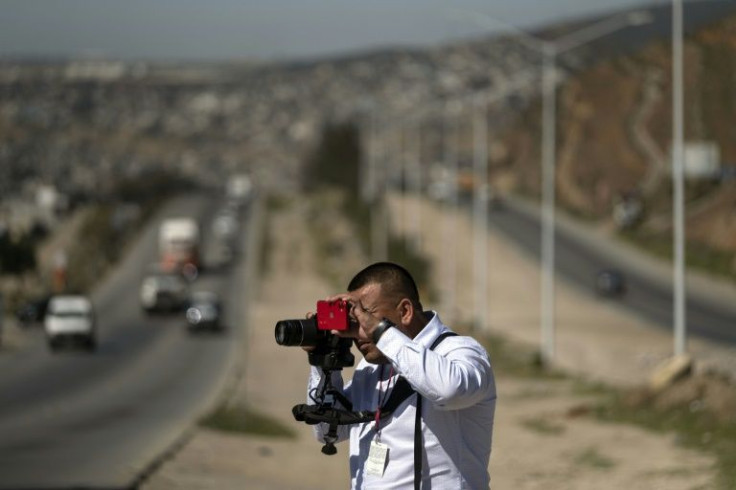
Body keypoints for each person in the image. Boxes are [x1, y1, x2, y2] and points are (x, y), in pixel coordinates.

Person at [305, 261, 496, 489]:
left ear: (405, 312)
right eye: (355, 321)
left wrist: (382, 334)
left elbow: (449, 390)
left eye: (367, 316)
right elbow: (328, 431)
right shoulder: (371, 368)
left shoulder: (461, 352)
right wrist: (323, 362)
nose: (359, 331)